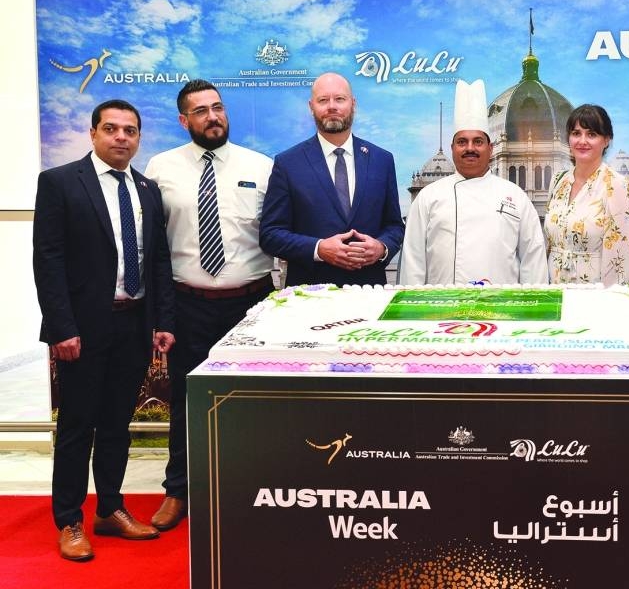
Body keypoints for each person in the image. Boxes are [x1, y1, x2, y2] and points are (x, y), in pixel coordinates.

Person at [32, 100, 176, 561]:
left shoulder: (147, 189)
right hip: (82, 329)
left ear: (139, 138)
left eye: (130, 130)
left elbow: (158, 260)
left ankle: (110, 508)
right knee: (77, 426)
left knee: (116, 425)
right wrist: (61, 328)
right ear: (93, 133)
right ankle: (69, 520)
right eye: (111, 129)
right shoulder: (60, 183)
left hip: (133, 324)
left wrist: (162, 321)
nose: (121, 137)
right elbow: (48, 260)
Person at [143, 79, 275, 531]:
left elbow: (278, 233)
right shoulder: (160, 168)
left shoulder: (261, 166)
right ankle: (178, 490)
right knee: (186, 399)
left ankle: (252, 487)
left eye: (217, 107)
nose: (213, 117)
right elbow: (153, 246)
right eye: (200, 111)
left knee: (254, 402)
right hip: (187, 303)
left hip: (252, 305)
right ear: (184, 120)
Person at [259, 72, 404, 286]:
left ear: (353, 104)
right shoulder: (288, 163)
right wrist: (318, 249)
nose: (332, 106)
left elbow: (394, 226)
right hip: (308, 294)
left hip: (369, 291)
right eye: (323, 100)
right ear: (311, 107)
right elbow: (270, 234)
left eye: (340, 99)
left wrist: (382, 248)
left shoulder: (381, 160)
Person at [398, 79, 548, 285]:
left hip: (502, 304)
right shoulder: (427, 197)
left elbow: (533, 262)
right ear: (452, 148)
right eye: (462, 142)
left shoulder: (516, 197)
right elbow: (413, 262)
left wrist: (532, 304)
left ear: (490, 148)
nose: (470, 148)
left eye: (478, 141)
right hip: (441, 303)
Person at [544, 104, 629, 285]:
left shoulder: (617, 185)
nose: (582, 141)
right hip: (553, 290)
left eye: (591, 134)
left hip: (593, 293)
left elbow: (619, 260)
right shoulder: (558, 180)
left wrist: (609, 297)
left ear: (607, 140)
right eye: (576, 133)